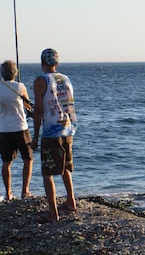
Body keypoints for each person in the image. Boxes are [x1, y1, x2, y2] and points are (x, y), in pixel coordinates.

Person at [31, 48, 78, 222]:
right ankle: (71, 201)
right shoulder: (65, 79)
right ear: (56, 63)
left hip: (51, 132)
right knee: (65, 166)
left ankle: (52, 212)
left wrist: (35, 135)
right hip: (68, 128)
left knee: (47, 172)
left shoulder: (40, 81)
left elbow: (39, 111)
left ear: (43, 63)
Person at [0, 60, 34, 200]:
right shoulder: (20, 86)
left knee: (6, 162)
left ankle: (8, 193)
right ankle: (25, 190)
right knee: (28, 159)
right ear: (15, 73)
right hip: (20, 128)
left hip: (3, 129)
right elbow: (28, 106)